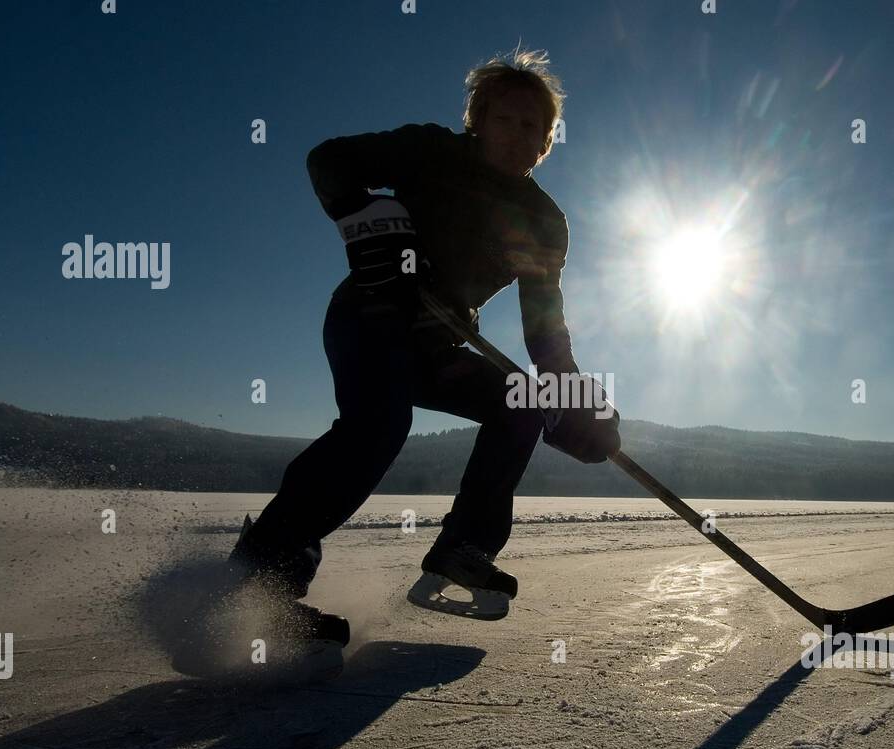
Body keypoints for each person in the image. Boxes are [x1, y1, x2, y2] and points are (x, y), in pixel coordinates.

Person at [228, 48, 620, 641]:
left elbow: (543, 320)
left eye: (533, 127)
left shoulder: (543, 220)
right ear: (478, 119)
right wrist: (377, 228)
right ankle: (259, 582)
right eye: (505, 120)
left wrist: (569, 392)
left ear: (547, 141)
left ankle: (463, 549)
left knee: (520, 402)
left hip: (440, 341)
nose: (518, 135)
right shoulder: (431, 151)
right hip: (372, 313)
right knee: (378, 428)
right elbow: (331, 161)